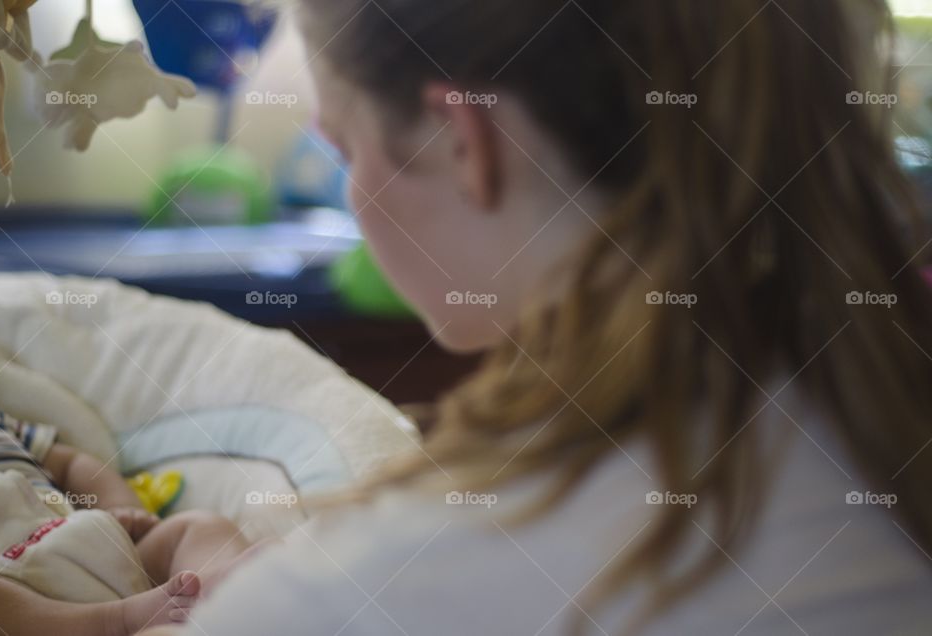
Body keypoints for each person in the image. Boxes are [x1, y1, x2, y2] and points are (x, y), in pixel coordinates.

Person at [110, 0, 932, 633]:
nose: (355, 193)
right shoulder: (879, 410)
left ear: (465, 140)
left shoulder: (351, 594)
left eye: (344, 144)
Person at [0, 401, 255, 636]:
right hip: (7, 587)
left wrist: (121, 507)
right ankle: (115, 621)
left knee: (200, 527)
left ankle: (219, 593)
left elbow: (70, 465)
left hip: (83, 539)